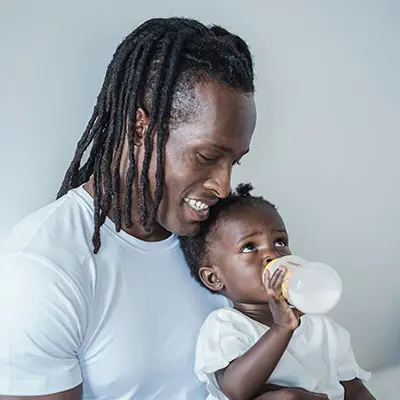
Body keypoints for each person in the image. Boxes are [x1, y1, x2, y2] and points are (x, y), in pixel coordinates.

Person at [0, 18, 257, 400]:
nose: (222, 185)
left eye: (233, 162)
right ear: (141, 127)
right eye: (207, 156)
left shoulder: (226, 237)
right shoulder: (43, 270)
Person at [179, 183, 376, 400]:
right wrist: (282, 328)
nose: (272, 254)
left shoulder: (322, 328)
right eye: (249, 247)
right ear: (214, 278)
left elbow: (355, 391)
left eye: (280, 242)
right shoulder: (226, 325)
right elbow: (235, 390)